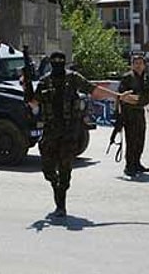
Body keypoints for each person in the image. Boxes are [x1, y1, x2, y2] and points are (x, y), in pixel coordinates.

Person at [31, 51, 97, 218]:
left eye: (61, 60)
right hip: (50, 132)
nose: (58, 63)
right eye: (55, 60)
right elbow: (34, 103)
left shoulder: (73, 78)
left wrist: (118, 96)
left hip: (69, 132)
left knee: (65, 170)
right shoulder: (45, 81)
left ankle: (61, 205)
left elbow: (93, 89)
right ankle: (55, 184)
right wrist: (26, 88)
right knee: (48, 170)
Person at [118, 54, 149, 176]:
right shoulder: (127, 77)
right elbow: (123, 96)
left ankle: (137, 163)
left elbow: (147, 96)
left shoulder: (146, 78)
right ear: (132, 65)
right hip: (129, 113)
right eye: (136, 63)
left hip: (140, 111)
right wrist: (135, 99)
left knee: (140, 139)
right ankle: (129, 165)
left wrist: (139, 99)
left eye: (141, 63)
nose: (138, 65)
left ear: (144, 65)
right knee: (131, 140)